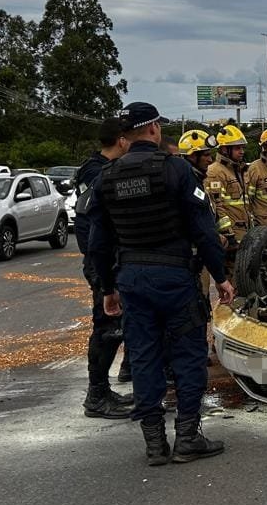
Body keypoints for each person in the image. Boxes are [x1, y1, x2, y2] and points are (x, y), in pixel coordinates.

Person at [85, 101, 236, 466]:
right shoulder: (177, 170)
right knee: (187, 355)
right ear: (152, 129)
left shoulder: (106, 177)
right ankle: (187, 437)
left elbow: (98, 243)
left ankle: (154, 444)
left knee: (144, 356)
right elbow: (204, 230)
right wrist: (221, 277)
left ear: (125, 135)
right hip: (175, 278)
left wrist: (107, 288)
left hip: (132, 280)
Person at [73, 117, 133, 419]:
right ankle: (96, 395)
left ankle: (103, 390)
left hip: (108, 258)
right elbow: (87, 224)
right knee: (108, 328)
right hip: (104, 261)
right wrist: (100, 264)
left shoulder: (98, 169)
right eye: (130, 139)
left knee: (115, 327)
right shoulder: (97, 172)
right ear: (121, 140)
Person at [204, 124, 251, 279]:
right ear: (224, 149)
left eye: (242, 148)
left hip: (245, 235)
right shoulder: (215, 172)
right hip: (232, 238)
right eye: (237, 148)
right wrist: (228, 236)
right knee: (233, 284)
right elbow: (217, 207)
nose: (242, 152)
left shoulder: (239, 170)